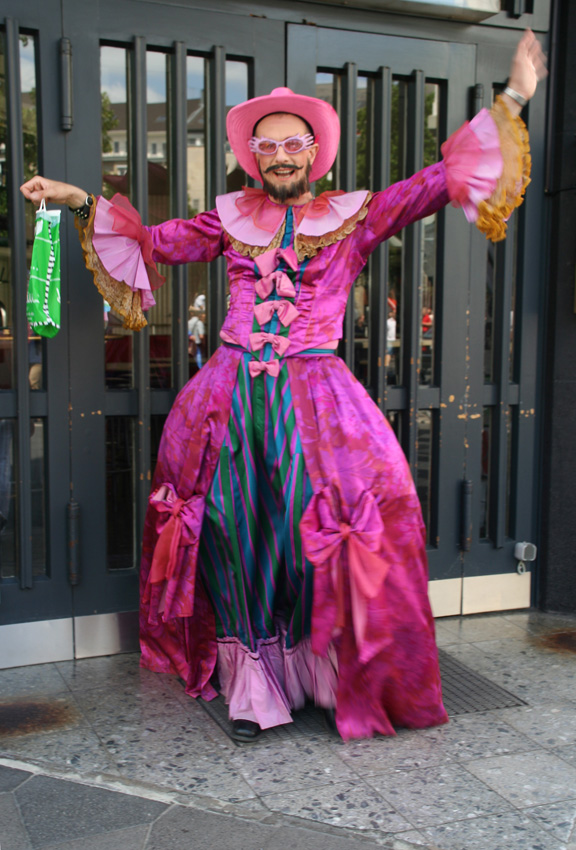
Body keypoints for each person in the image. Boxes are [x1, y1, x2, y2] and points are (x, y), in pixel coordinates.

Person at [20, 30, 545, 742]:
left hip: (321, 405)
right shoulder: (230, 221)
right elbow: (155, 242)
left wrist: (513, 96)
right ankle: (255, 689)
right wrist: (77, 199)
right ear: (252, 158)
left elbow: (433, 182)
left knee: (322, 538)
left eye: (293, 143)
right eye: (266, 146)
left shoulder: (354, 217)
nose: (280, 155)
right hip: (229, 400)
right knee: (236, 535)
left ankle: (328, 677)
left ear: (314, 152)